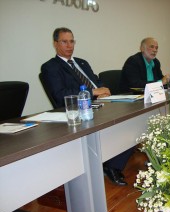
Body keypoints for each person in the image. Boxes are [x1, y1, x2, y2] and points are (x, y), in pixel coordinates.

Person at [41, 27, 133, 186]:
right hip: (77, 112)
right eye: (64, 42)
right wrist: (93, 92)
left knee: (131, 121)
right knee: (122, 126)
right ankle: (111, 166)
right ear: (55, 44)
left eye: (72, 41)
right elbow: (60, 95)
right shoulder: (50, 67)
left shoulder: (82, 62)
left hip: (100, 104)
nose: (69, 45)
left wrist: (103, 90)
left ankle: (110, 162)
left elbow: (96, 81)